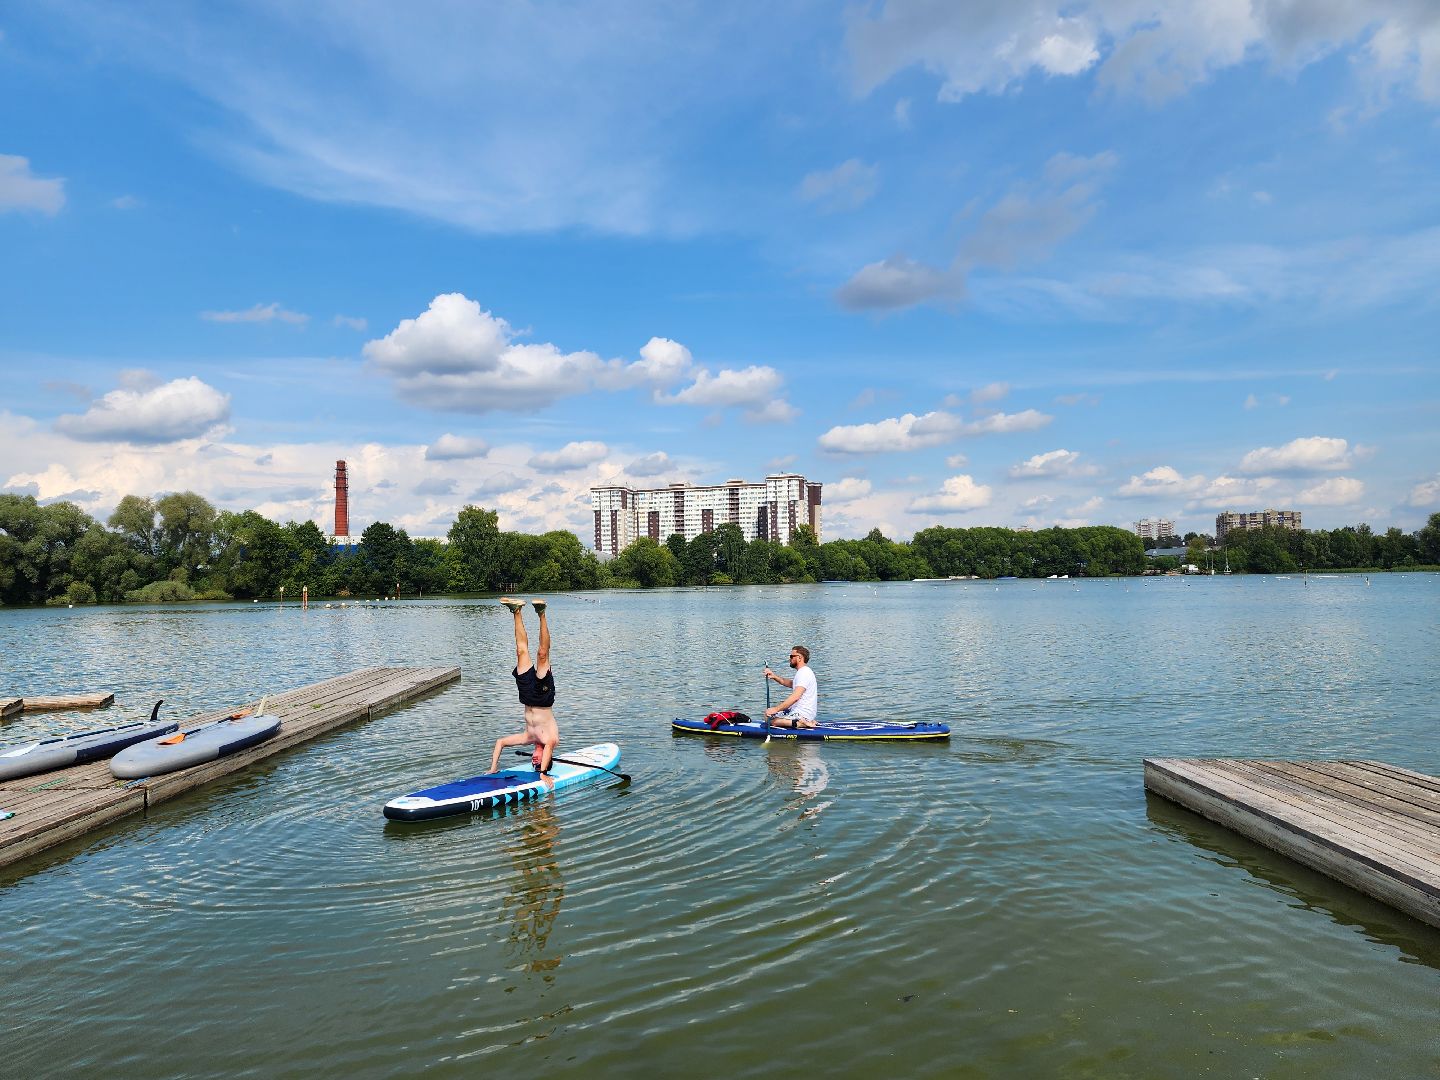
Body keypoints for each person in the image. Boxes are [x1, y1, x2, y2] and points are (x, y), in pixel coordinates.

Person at [489, 598, 559, 785]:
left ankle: (516, 610)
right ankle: (541, 613)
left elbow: (500, 742)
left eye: (533, 764)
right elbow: (549, 750)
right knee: (542, 653)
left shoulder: (528, 737)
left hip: (527, 695)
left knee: (521, 651)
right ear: (546, 757)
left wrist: (493, 768)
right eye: (538, 762)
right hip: (544, 698)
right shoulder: (550, 739)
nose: (534, 761)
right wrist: (543, 773)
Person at [763, 645, 819, 728]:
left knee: (770, 719)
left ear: (799, 657)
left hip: (801, 713)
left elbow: (795, 697)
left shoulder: (804, 673)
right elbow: (790, 683)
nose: (789, 659)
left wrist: (776, 709)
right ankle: (805, 720)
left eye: (791, 656)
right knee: (767, 715)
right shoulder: (803, 672)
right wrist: (774, 676)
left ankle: (800, 723)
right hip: (802, 712)